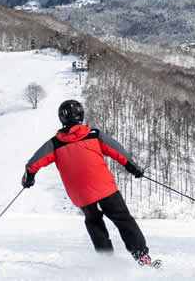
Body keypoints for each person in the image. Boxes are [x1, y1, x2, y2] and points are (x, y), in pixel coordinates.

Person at [22, 99, 154, 266]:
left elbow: (32, 164)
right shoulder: (94, 134)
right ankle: (141, 255)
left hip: (81, 195)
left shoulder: (55, 143)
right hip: (105, 188)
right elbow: (118, 151)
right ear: (81, 116)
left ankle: (107, 262)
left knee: (93, 222)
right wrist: (134, 168)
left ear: (61, 119)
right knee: (122, 219)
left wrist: (29, 179)